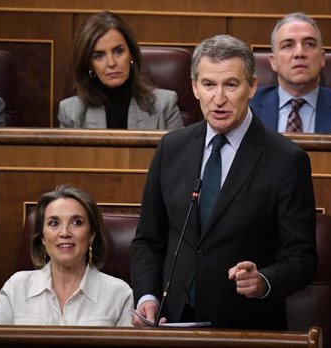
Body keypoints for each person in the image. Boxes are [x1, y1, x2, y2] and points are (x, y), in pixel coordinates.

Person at [130, 35, 316, 330]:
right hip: (172, 321)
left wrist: (264, 280)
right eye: (208, 85)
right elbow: (148, 241)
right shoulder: (171, 149)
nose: (219, 99)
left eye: (231, 84)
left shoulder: (286, 159)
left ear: (252, 86)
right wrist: (147, 297)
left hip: (245, 325)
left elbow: (302, 258)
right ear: (194, 87)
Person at [250, 12, 331, 205]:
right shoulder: (249, 107)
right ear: (273, 61)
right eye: (288, 45)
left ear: (322, 58)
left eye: (309, 44)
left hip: (324, 209)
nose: (299, 53)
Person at [0, 185, 133, 325]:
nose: (64, 233)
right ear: (42, 237)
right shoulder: (16, 287)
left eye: (76, 222)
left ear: (91, 235)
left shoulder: (119, 294)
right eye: (54, 223)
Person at [58, 11, 183, 130]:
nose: (111, 63)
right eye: (99, 56)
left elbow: (179, 152)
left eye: (118, 51)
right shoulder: (70, 112)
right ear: (90, 65)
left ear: (131, 55)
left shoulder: (164, 105)